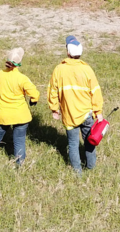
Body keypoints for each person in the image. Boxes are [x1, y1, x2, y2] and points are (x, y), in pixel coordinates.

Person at [47, 35, 104, 173]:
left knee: (72, 144)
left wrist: (55, 109)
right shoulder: (87, 69)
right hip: (87, 115)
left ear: (68, 52)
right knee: (90, 141)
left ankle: (77, 172)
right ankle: (91, 167)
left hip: (69, 115)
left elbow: (52, 90)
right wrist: (98, 112)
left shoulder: (59, 69)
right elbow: (95, 92)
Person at [0, 47, 40, 167]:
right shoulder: (22, 79)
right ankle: (20, 164)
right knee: (19, 141)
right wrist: (34, 100)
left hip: (2, 114)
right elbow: (34, 93)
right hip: (20, 115)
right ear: (19, 63)